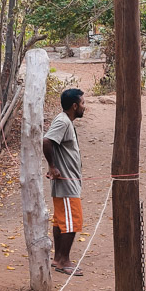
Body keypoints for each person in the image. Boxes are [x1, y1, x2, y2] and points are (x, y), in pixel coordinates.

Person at [43, 88, 87, 275]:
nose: (85, 107)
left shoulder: (65, 121)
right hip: (66, 182)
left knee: (61, 220)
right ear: (74, 106)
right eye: (83, 103)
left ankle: (58, 258)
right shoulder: (62, 121)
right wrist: (52, 167)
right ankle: (65, 261)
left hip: (67, 180)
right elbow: (46, 141)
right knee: (72, 220)